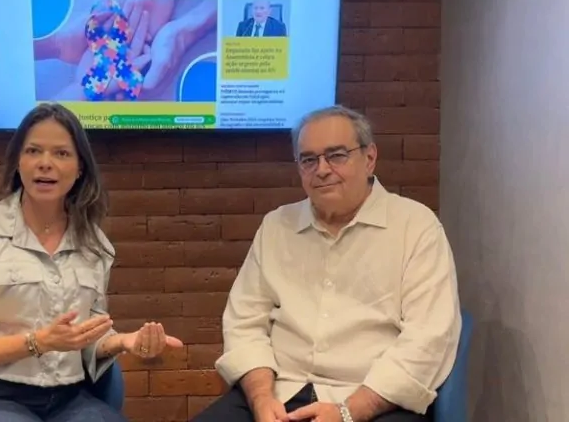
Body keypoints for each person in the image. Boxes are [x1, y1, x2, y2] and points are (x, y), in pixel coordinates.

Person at [193, 106, 462, 422]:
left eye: (336, 155)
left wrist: (347, 412)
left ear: (370, 158)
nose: (321, 170)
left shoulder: (416, 227)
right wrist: (261, 399)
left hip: (374, 401)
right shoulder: (276, 226)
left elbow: (428, 339)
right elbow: (244, 322)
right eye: (308, 159)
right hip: (279, 393)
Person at [0, 103, 184, 422]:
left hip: (68, 398)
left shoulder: (94, 244)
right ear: (18, 162)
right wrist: (38, 342)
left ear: (80, 168)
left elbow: (85, 336)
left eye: (61, 153)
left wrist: (121, 342)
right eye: (33, 151)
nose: (45, 164)